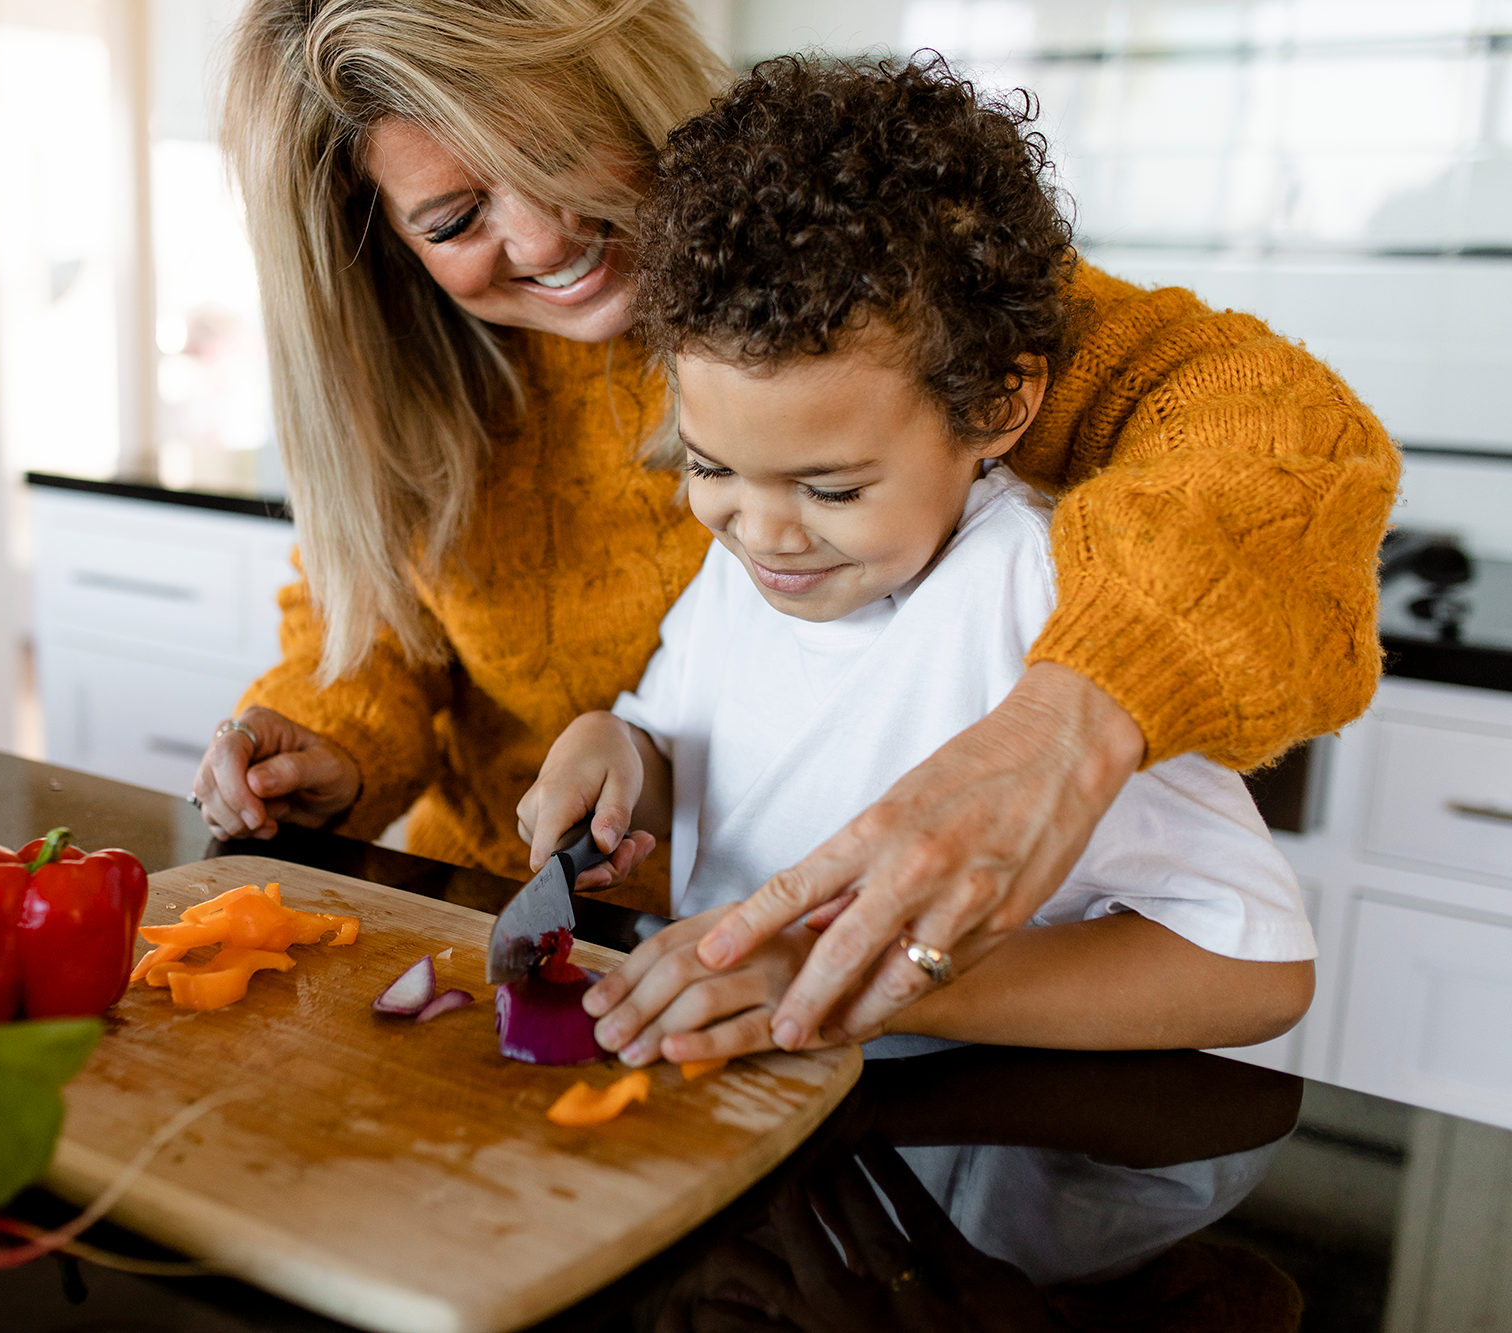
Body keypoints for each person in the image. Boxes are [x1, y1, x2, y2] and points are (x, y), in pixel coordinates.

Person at [195, 0, 1395, 1049]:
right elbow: (391, 628)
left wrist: (1071, 719)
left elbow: (1278, 441)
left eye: (556, 151)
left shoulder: (872, 293)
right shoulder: (420, 374)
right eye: (454, 220)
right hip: (584, 949)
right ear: (381, 246)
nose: (544, 238)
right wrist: (330, 740)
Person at [518, 55, 1316, 1066]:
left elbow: (1251, 969)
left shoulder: (1048, 598)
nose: (761, 531)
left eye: (831, 489)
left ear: (994, 406)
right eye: (710, 466)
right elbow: (714, 765)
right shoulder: (751, 562)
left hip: (967, 1168)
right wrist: (621, 755)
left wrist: (855, 983)